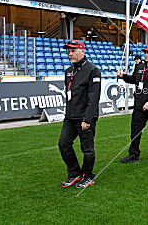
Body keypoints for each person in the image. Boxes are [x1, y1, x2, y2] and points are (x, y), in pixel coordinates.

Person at [58, 40, 101, 188]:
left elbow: (93, 98)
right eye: (69, 51)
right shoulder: (68, 71)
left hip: (85, 118)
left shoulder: (92, 70)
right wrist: (67, 115)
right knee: (63, 144)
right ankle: (74, 173)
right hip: (70, 117)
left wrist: (87, 119)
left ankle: (88, 176)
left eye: (74, 50)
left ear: (82, 51)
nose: (70, 53)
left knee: (87, 149)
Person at [117, 45, 148, 162]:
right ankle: (134, 154)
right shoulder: (139, 67)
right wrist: (123, 76)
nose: (145, 54)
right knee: (135, 129)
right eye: (144, 52)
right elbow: (134, 79)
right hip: (139, 106)